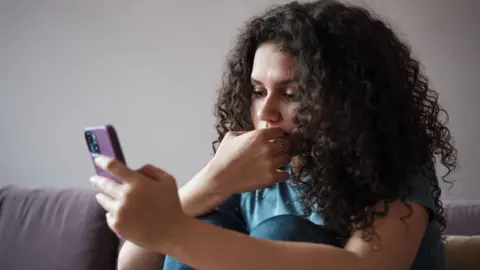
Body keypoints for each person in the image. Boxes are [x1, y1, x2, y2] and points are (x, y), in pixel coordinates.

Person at [89, 1, 458, 269]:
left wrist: (172, 230)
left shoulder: (395, 162)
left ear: (347, 101)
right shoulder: (249, 167)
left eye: (291, 94)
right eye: (258, 90)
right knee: (207, 222)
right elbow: (133, 267)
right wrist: (212, 182)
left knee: (281, 230)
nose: (265, 113)